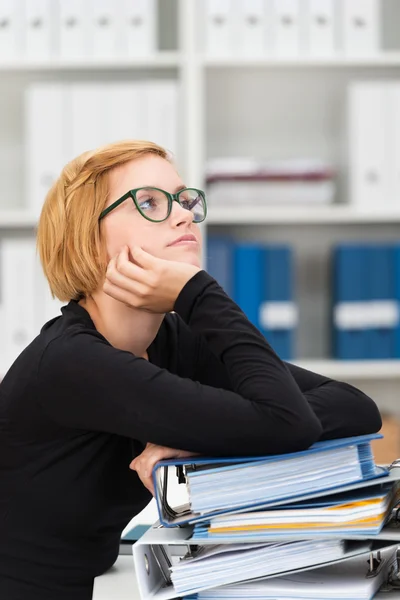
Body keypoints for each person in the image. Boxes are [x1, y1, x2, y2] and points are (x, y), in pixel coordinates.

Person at [0, 140, 381, 599]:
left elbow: (356, 409)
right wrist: (198, 293)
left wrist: (192, 437)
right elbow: (288, 421)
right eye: (149, 203)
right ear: (88, 236)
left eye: (183, 199)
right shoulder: (71, 362)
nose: (183, 215)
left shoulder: (170, 340)